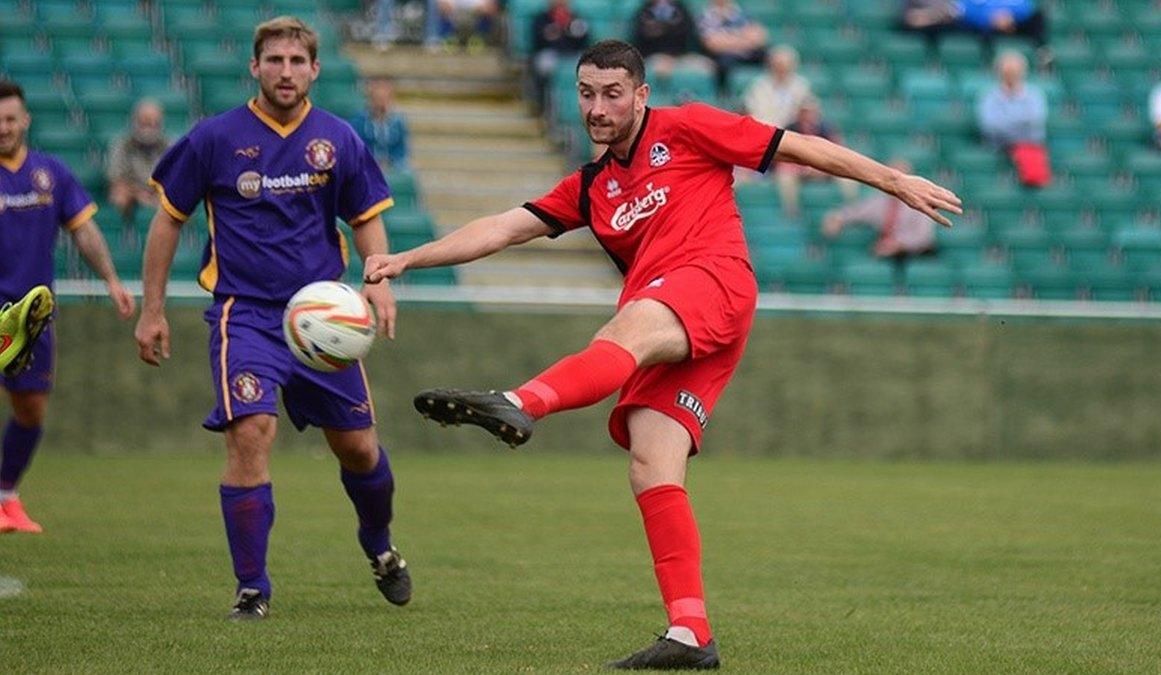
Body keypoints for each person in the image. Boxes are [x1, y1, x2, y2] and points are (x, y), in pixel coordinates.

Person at [362, 40, 960, 669]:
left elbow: (794, 146)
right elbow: (505, 227)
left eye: (612, 93)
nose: (597, 107)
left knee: (626, 332)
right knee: (651, 463)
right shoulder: (591, 186)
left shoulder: (689, 126)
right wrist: (407, 258)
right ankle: (690, 633)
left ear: (641, 94)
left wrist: (893, 181)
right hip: (684, 322)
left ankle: (518, 402)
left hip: (714, 280)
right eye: (587, 93)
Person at [134, 16, 408, 621]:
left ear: (314, 69)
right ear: (254, 68)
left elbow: (365, 219)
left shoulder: (337, 139)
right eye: (275, 60)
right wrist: (152, 310)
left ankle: (379, 544)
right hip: (245, 315)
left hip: (321, 317)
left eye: (297, 61)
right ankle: (252, 588)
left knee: (359, 450)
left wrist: (378, 281)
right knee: (251, 435)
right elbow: (167, 219)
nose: (286, 71)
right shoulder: (214, 138)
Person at [0, 79, 136, 534]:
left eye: (10, 118)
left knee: (31, 409)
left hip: (33, 316)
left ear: (25, 120)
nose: (3, 127)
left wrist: (113, 280)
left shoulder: (51, 173)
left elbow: (85, 232)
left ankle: (6, 497)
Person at [821, 159, 939, 261]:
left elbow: (923, 236)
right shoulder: (878, 201)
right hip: (885, 254)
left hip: (915, 255)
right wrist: (837, 217)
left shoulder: (920, 203)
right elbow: (855, 212)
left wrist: (897, 243)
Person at [773, 98, 858, 218]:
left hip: (824, 168)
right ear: (798, 113)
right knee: (784, 177)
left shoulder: (826, 129)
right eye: (804, 112)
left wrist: (823, 168)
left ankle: (851, 211)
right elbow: (782, 158)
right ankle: (792, 214)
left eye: (810, 113)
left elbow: (840, 154)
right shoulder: (790, 128)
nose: (807, 116)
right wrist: (804, 169)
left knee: (849, 178)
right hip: (799, 170)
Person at [978, 50, 1050, 186]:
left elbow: (1035, 122)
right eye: (1008, 71)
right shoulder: (989, 97)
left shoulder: (1034, 95)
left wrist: (1007, 125)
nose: (1011, 74)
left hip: (1029, 148)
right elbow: (989, 126)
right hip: (998, 147)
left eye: (1015, 71)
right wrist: (1019, 127)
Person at [106, 98, 170, 222]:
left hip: (159, 194)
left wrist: (156, 197)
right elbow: (116, 181)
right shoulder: (122, 145)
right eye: (144, 122)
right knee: (118, 195)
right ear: (135, 121)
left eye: (152, 123)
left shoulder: (169, 146)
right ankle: (126, 233)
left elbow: (175, 181)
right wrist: (139, 195)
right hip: (132, 193)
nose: (148, 128)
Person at [530, 0, 591, 111]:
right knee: (544, 64)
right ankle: (543, 104)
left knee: (587, 66)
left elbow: (584, 41)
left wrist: (565, 31)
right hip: (550, 54)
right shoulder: (541, 18)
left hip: (572, 54)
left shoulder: (576, 17)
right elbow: (537, 42)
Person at [631, 0, 714, 80]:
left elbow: (689, 33)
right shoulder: (644, 11)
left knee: (707, 66)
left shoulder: (681, 9)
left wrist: (661, 29)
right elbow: (640, 38)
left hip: (681, 56)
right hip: (654, 56)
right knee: (660, 71)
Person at [696, 0, 767, 93]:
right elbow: (713, 44)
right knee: (723, 64)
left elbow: (759, 38)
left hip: (748, 53)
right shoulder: (705, 16)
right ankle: (724, 96)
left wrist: (727, 38)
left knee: (771, 55)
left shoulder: (744, 14)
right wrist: (743, 37)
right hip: (722, 57)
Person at [349, 77, 410, 170]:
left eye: (385, 98)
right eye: (378, 98)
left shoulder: (397, 123)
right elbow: (357, 151)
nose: (381, 103)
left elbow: (401, 152)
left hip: (392, 168)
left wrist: (390, 163)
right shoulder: (359, 123)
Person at [743, 45, 810, 129]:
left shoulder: (800, 86)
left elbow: (805, 112)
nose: (782, 69)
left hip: (792, 132)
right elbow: (754, 113)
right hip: (766, 130)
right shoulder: (759, 86)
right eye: (779, 65)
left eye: (786, 65)